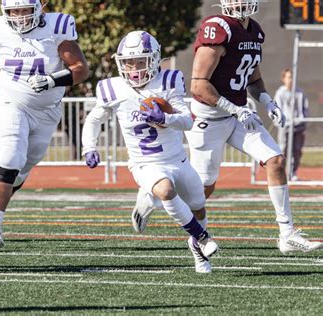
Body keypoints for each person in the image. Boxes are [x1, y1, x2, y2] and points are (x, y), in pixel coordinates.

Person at [0, 0, 89, 249]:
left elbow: (80, 69)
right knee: (9, 156)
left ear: (38, 8)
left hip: (46, 111)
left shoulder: (55, 27)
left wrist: (52, 80)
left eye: (25, 10)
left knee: (20, 171)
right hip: (10, 102)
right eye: (14, 11)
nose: (20, 16)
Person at [187, 0, 322, 254]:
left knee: (276, 161)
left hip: (239, 116)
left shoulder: (254, 30)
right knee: (203, 188)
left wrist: (268, 101)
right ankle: (160, 198)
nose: (240, 3)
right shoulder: (218, 28)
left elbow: (254, 78)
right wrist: (235, 109)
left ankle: (287, 235)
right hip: (210, 120)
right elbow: (198, 85)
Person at [82, 31, 219, 273]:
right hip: (144, 163)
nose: (133, 67)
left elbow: (187, 121)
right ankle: (203, 238)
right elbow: (94, 119)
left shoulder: (168, 82)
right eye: (127, 62)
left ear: (154, 60)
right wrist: (88, 146)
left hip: (177, 159)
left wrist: (165, 118)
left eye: (139, 61)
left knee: (198, 206)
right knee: (166, 190)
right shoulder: (113, 88)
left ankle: (196, 249)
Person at [274, 68, 309, 181]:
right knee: (283, 150)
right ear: (283, 79)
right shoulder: (280, 93)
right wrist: (280, 122)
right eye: (288, 77)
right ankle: (281, 174)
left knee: (297, 151)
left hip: (298, 126)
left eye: (292, 77)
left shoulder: (300, 92)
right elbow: (277, 109)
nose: (291, 80)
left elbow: (305, 109)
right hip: (285, 127)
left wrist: (303, 122)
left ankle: (292, 173)